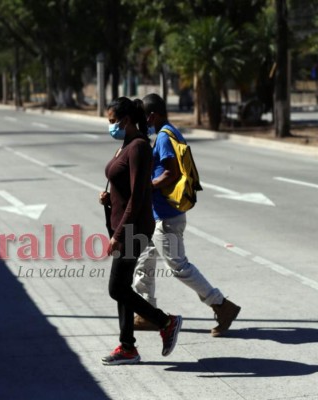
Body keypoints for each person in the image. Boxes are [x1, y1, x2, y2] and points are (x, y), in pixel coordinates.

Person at [133, 93, 241, 337]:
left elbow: (171, 173)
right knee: (144, 261)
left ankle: (222, 305)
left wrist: (147, 186)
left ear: (152, 115)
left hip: (166, 215)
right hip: (157, 214)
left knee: (178, 266)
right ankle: (146, 313)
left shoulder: (163, 137)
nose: (144, 123)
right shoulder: (168, 132)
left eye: (145, 118)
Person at [99, 97, 182, 366]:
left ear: (125, 121)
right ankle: (127, 348)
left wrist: (119, 234)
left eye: (112, 121)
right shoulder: (126, 144)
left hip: (133, 229)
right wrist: (109, 199)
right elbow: (123, 188)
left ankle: (165, 322)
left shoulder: (138, 148)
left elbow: (138, 196)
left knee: (116, 288)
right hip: (125, 225)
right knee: (122, 287)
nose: (110, 126)